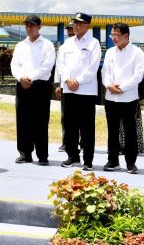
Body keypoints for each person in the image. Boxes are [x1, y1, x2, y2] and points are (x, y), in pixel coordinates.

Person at [56, 12, 101, 170]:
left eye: (79, 23)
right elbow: (61, 64)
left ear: (87, 25)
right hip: (69, 90)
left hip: (86, 91)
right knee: (70, 125)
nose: (75, 25)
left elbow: (93, 66)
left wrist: (79, 81)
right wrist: (68, 79)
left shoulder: (94, 43)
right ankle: (72, 156)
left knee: (87, 127)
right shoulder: (67, 44)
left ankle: (88, 160)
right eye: (74, 22)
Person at [10, 15, 56, 166]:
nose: (29, 28)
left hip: (40, 86)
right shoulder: (20, 45)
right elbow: (14, 65)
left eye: (32, 25)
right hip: (22, 85)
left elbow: (47, 66)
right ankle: (25, 153)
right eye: (27, 25)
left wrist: (30, 78)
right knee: (23, 120)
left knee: (41, 120)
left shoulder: (47, 45)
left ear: (39, 27)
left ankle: (42, 154)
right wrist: (20, 78)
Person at [101, 22, 144, 174]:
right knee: (112, 130)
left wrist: (122, 88)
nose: (113, 38)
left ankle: (131, 162)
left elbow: (137, 76)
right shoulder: (110, 52)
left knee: (129, 130)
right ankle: (113, 160)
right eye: (112, 35)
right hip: (110, 97)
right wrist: (108, 85)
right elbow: (104, 73)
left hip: (128, 98)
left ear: (126, 36)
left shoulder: (137, 52)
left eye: (116, 35)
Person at [55, 20, 75, 153]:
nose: (70, 31)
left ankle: (81, 142)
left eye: (72, 28)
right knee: (65, 116)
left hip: (81, 86)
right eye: (68, 29)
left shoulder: (88, 44)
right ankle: (66, 141)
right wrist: (58, 84)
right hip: (65, 86)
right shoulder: (63, 46)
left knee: (81, 117)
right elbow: (59, 67)